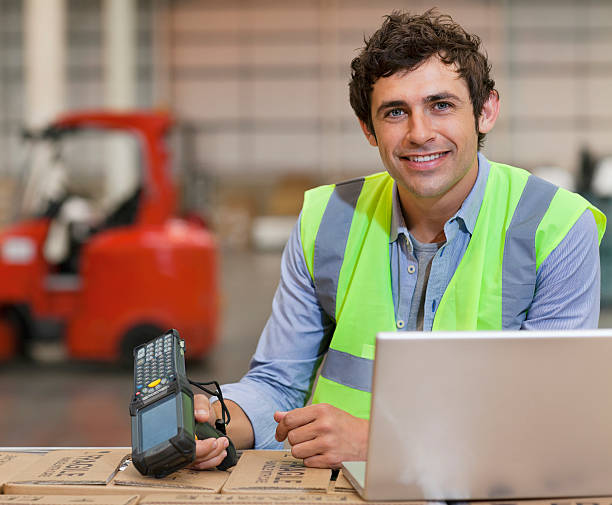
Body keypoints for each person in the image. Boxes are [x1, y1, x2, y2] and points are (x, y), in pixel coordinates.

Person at [189, 9, 607, 471]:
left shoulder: (557, 225)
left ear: (485, 110)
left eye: (441, 105)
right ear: (368, 128)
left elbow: (550, 416)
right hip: (337, 490)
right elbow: (277, 387)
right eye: (395, 112)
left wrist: (381, 441)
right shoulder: (327, 221)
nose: (420, 133)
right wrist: (215, 422)